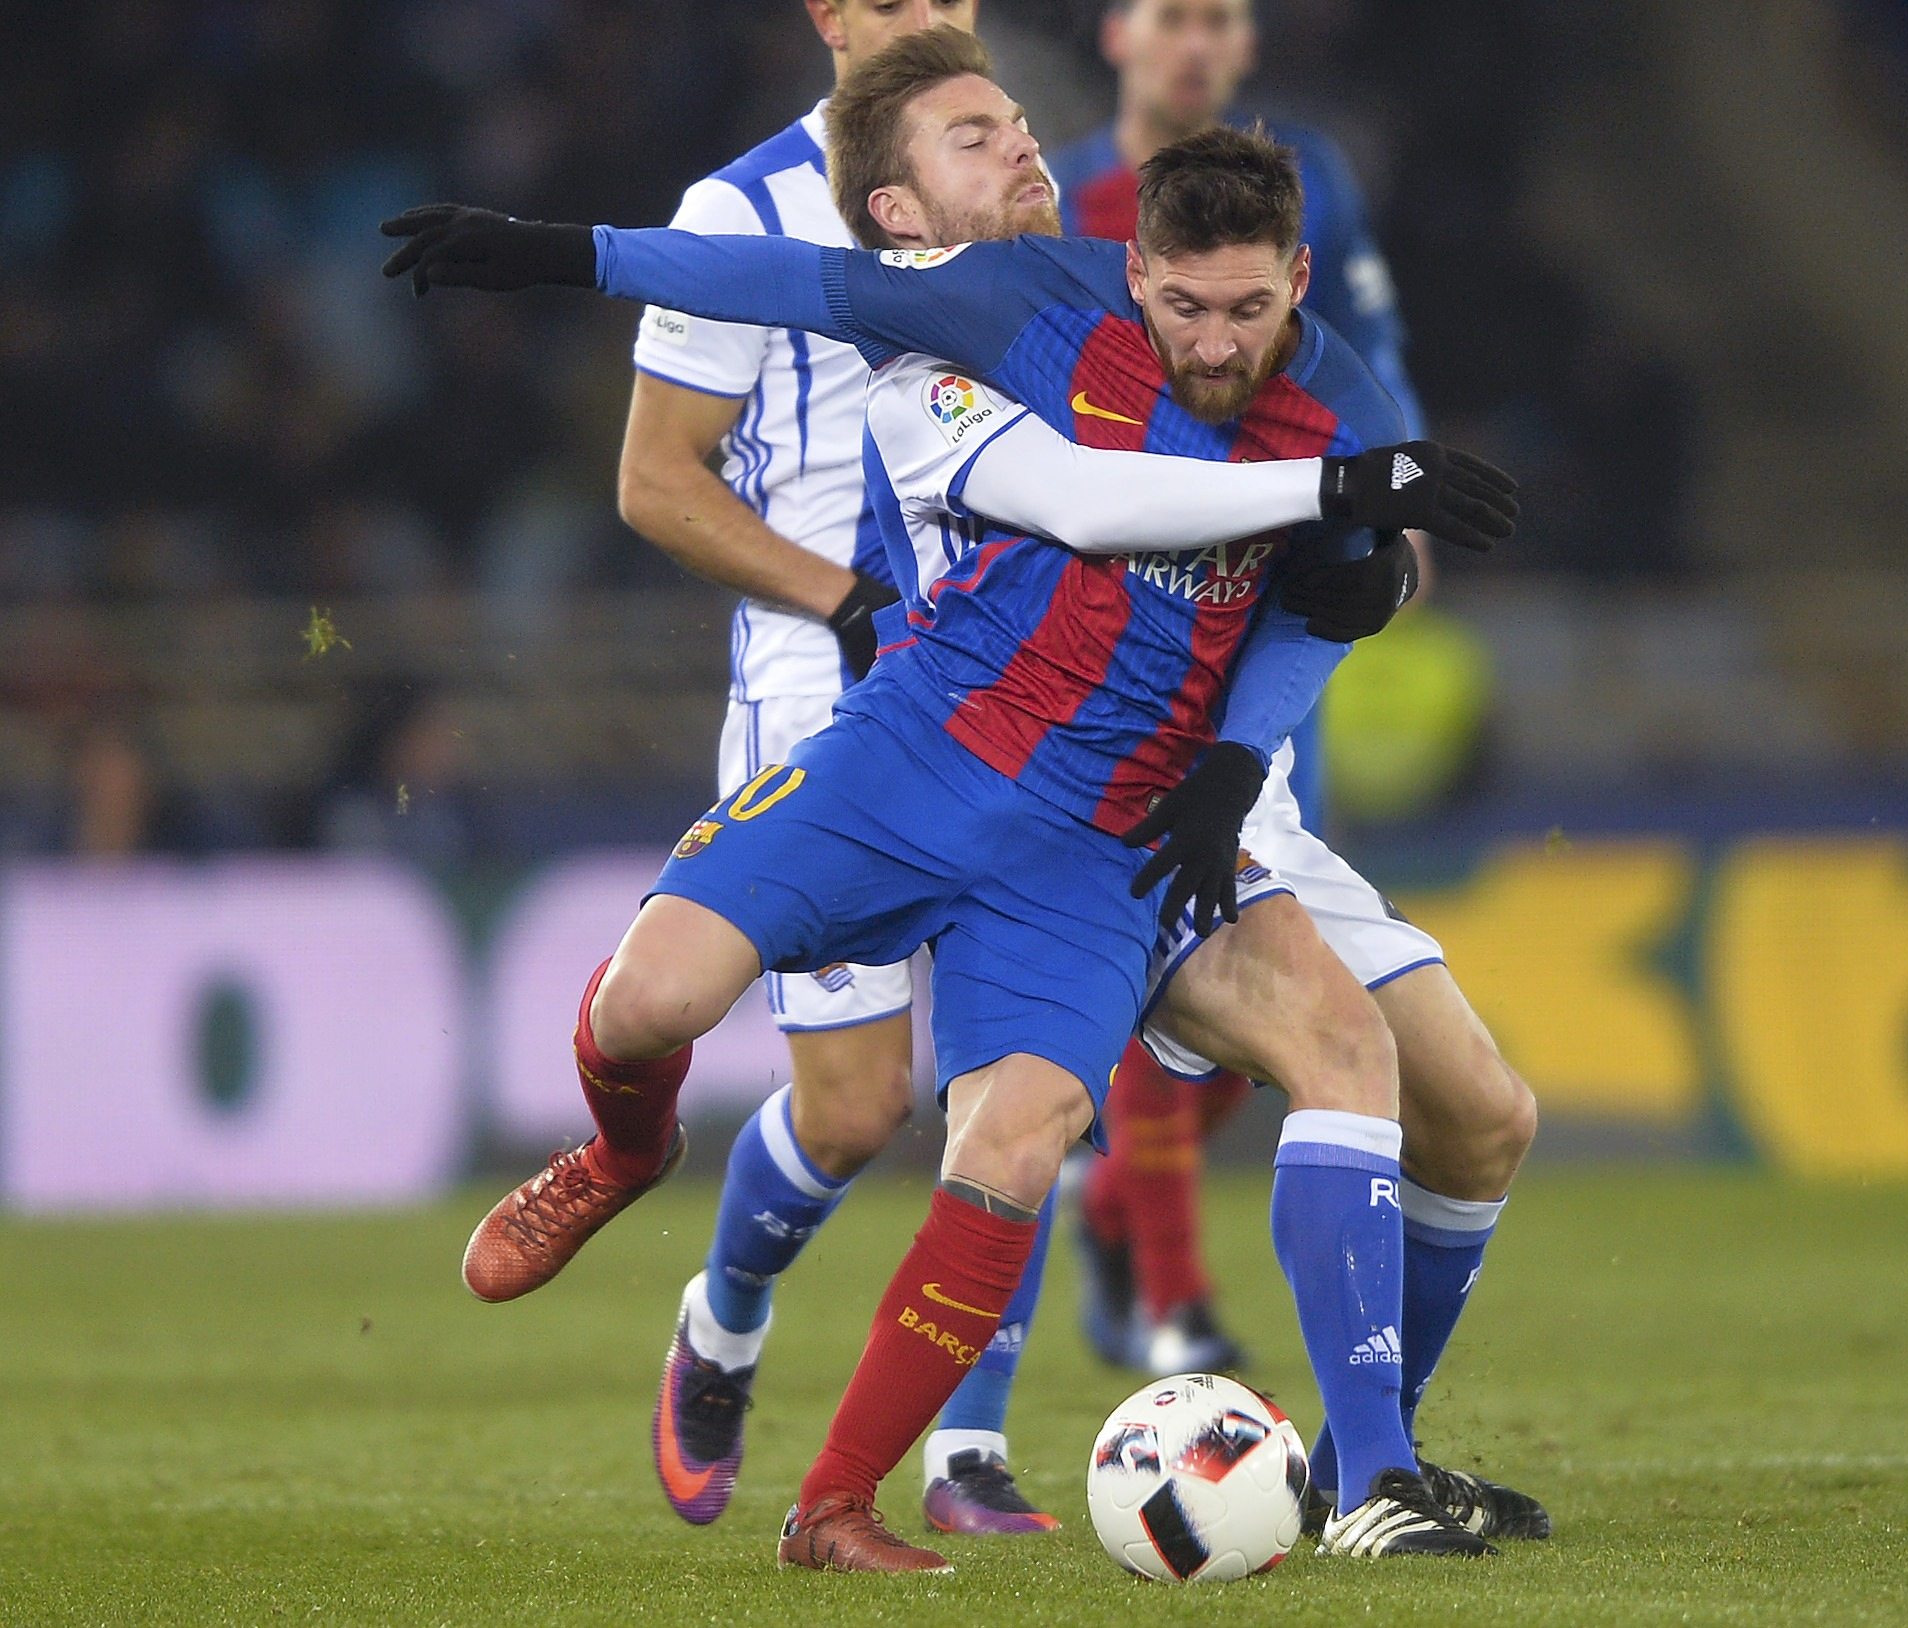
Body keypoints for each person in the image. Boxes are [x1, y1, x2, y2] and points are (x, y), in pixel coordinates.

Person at [382, 34, 1521, 1569]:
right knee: (666, 1006)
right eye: (974, 132)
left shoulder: (1285, 380)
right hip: (922, 745)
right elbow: (1065, 485)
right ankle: (632, 1161)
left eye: (1017, 123)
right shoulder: (969, 321)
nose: (1213, 338)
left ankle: (863, 1497)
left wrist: (1252, 740)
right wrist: (558, 255)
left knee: (1053, 1125)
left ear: (1299, 281)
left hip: (1123, 813)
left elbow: (1316, 608)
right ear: (904, 206)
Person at [604, 0, 1056, 1537]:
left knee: (1024, 1069)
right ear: (829, 16)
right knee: (859, 1108)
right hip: (828, 670)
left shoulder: (1014, 181)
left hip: (1014, 659)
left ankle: (970, 1449)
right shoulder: (735, 213)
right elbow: (656, 481)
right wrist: (843, 599)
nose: (933, 16)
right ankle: (722, 1322)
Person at [1050, 0, 1442, 1377]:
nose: (1197, 45)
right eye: (1173, 17)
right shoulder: (1065, 197)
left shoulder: (1313, 180)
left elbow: (1368, 364)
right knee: (1173, 957)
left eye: (1220, 17)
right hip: (1132, 635)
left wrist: (1402, 510)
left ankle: (1116, 1206)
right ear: (1118, 36)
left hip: (1270, 613)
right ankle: (1171, 1299)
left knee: (1264, 1009)